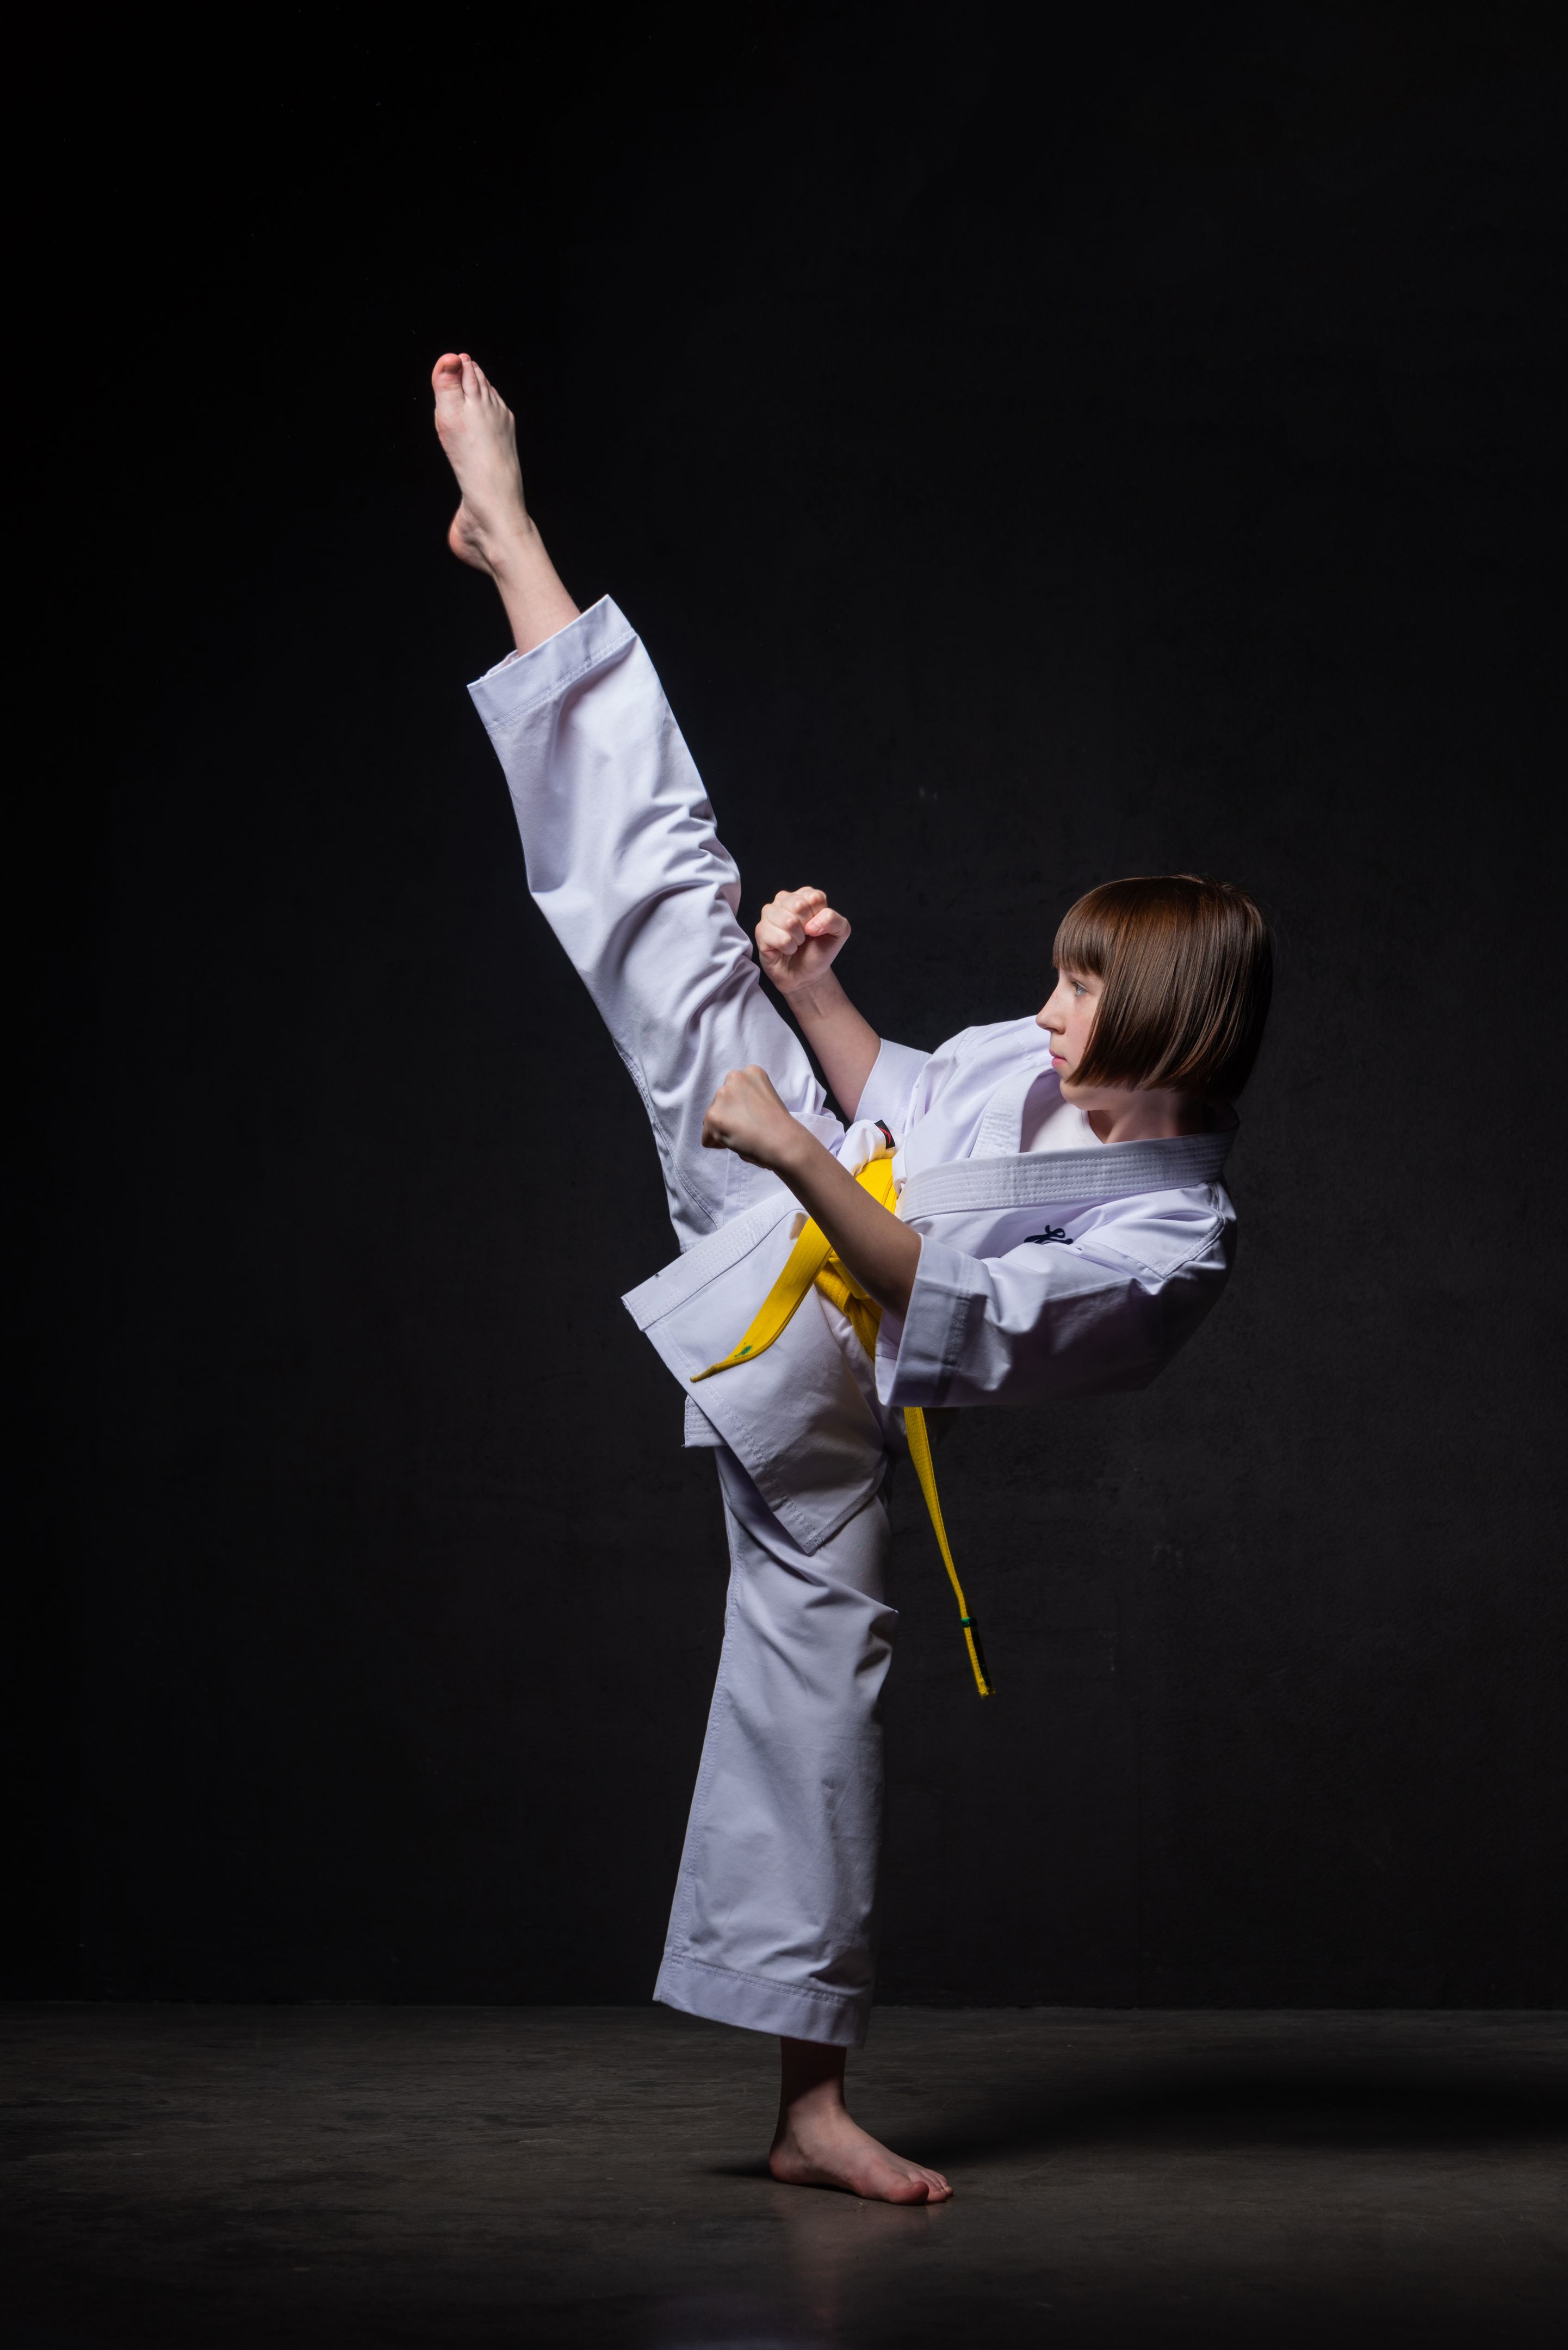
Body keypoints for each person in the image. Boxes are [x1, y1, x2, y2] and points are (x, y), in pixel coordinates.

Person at [432, 350, 1273, 2203]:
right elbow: (904, 1096)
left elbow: (944, 1306)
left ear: (1168, 1028)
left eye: (1075, 986)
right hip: (784, 1209)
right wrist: (813, 993)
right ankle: (513, 554)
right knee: (682, 889)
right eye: (1056, 978)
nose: (1045, 1003)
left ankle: (806, 2103)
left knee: (820, 1675)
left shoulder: (1173, 1234)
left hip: (829, 1323)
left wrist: (792, 1141)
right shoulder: (1053, 1072)